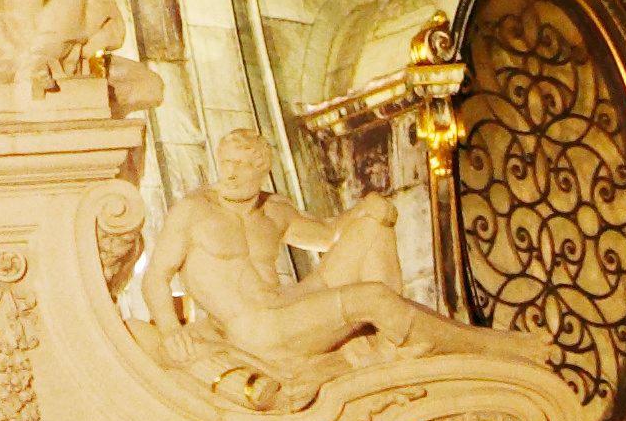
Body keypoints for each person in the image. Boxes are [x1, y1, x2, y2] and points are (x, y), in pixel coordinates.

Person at [161, 126, 489, 399]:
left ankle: (382, 340)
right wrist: (170, 328)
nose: (231, 173)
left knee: (371, 226)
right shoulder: (195, 210)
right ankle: (487, 348)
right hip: (257, 328)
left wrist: (366, 208)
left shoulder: (274, 209)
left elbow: (327, 234)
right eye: (227, 162)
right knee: (372, 297)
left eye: (242, 165)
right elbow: (155, 277)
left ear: (262, 169)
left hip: (291, 304)